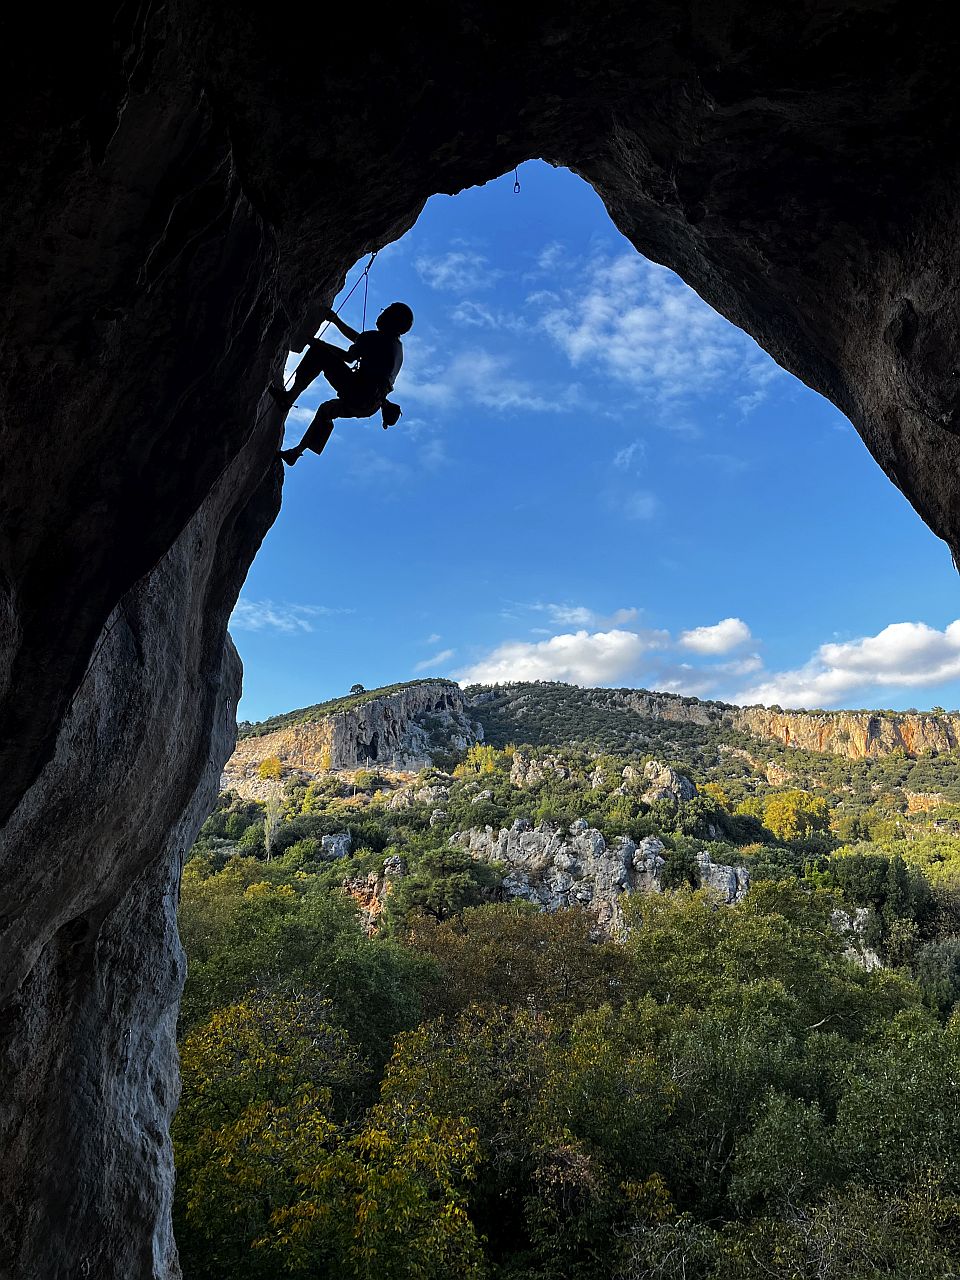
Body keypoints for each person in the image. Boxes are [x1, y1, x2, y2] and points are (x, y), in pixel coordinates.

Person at [272, 301, 413, 466]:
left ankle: (288, 399)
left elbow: (349, 356)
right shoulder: (395, 347)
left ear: (391, 320)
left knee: (318, 353)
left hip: (358, 391)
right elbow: (359, 340)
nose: (381, 314)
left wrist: (320, 344)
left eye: (385, 312)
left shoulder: (377, 339)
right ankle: (296, 452)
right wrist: (336, 321)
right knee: (327, 410)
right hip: (370, 405)